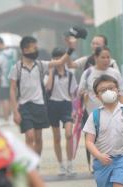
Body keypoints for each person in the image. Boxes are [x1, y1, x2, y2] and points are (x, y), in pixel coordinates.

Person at [9, 36, 75, 156]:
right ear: (24, 50)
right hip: (24, 106)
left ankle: (36, 161)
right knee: (29, 136)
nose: (36, 50)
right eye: (34, 48)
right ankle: (30, 164)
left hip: (39, 106)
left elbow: (60, 62)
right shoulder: (16, 68)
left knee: (38, 138)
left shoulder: (41, 65)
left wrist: (70, 49)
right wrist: (15, 112)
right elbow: (12, 90)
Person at [77, 46, 123, 171]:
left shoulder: (114, 73)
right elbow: (80, 91)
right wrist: (86, 96)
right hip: (94, 114)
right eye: (102, 57)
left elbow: (121, 93)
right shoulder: (88, 73)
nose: (106, 60)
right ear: (95, 58)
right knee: (94, 139)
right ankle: (97, 162)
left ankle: (115, 162)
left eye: (108, 57)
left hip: (113, 112)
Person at [45, 47, 77, 176]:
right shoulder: (48, 73)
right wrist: (52, 72)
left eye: (60, 57)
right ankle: (61, 166)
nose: (58, 60)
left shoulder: (70, 74)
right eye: (55, 58)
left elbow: (74, 94)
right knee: (57, 137)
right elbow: (47, 87)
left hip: (66, 106)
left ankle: (70, 163)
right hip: (52, 106)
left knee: (69, 134)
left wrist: (74, 109)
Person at [0, 37, 16, 125]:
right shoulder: (13, 52)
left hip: (3, 80)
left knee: (4, 99)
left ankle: (6, 119)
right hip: (13, 78)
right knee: (12, 98)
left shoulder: (1, 55)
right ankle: (11, 117)